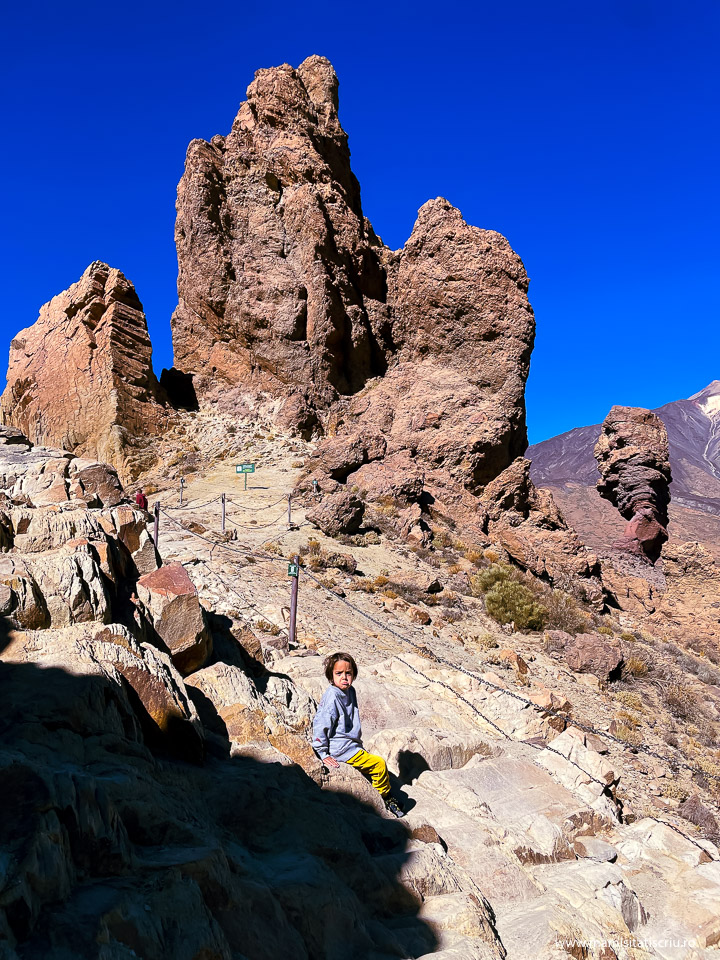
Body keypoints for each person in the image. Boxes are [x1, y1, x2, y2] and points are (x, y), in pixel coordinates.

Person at [312, 652, 405, 818]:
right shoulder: (332, 696)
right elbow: (321, 724)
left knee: (370, 766)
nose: (344, 678)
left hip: (351, 744)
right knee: (379, 765)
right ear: (330, 676)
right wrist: (322, 752)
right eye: (338, 673)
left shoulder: (350, 691)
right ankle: (383, 798)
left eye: (348, 673)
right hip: (340, 749)